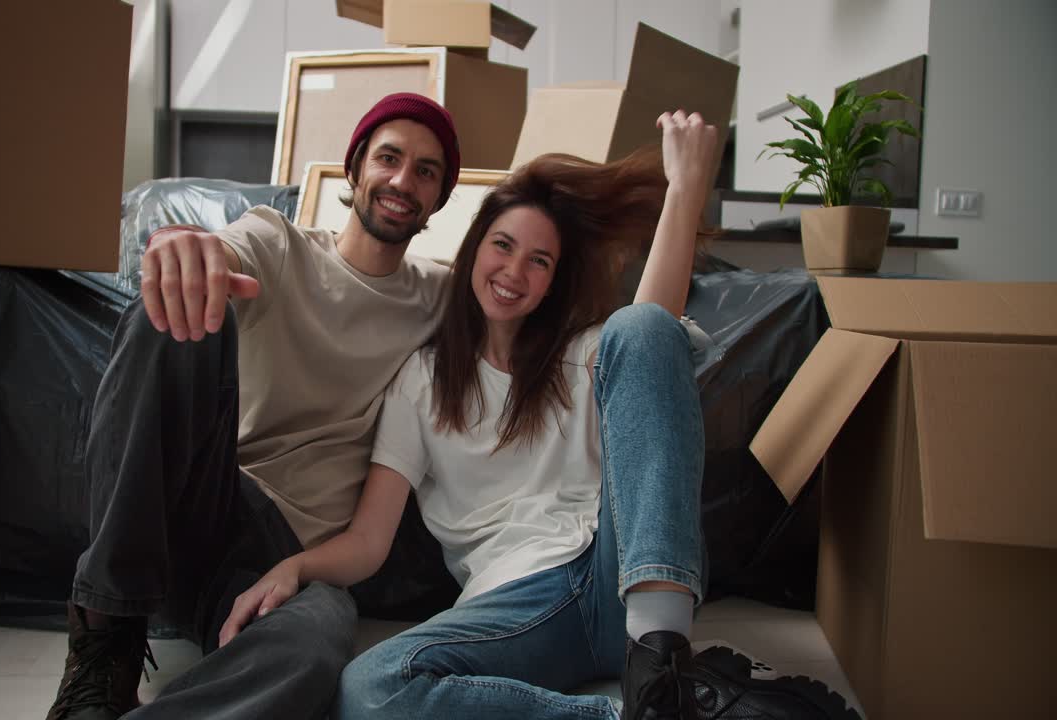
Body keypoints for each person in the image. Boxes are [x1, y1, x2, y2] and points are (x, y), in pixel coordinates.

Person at [220, 111, 860, 720]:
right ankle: (655, 710)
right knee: (371, 690)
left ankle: (660, 660)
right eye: (502, 246)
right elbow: (368, 541)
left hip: (621, 573)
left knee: (642, 327)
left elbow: (652, 331)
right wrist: (297, 566)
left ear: (554, 281)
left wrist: (687, 185)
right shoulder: (420, 382)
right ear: (472, 252)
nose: (513, 272)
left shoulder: (582, 354)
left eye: (539, 261)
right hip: (515, 605)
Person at [44, 92, 463, 720]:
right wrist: (186, 252)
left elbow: (541, 306)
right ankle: (106, 638)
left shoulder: (443, 298)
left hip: (297, 560)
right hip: (207, 500)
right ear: (355, 169)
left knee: (315, 652)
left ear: (438, 200)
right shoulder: (277, 242)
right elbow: (220, 252)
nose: (404, 180)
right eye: (389, 158)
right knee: (177, 312)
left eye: (426, 171)